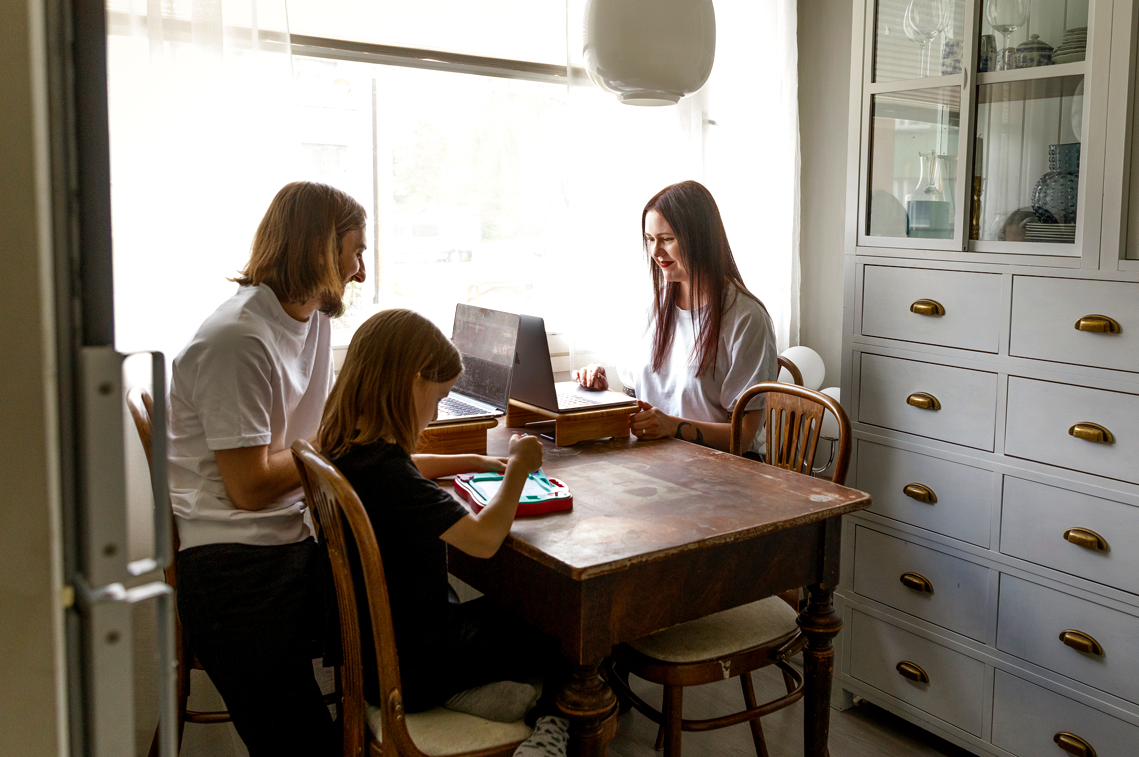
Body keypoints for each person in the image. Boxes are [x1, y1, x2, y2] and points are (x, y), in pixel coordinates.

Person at [167, 182, 505, 756]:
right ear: (320, 249)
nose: (361, 271)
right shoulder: (237, 341)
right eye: (355, 251)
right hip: (235, 568)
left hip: (291, 543)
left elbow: (330, 442)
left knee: (415, 594)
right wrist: (333, 445)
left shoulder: (313, 321)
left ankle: (435, 698)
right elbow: (248, 489)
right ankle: (437, 707)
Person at [321, 309, 570, 756]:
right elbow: (484, 540)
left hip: (379, 659)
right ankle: (552, 727)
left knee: (504, 615)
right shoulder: (391, 479)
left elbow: (410, 466)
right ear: (412, 382)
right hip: (421, 665)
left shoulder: (345, 449)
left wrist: (476, 461)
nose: (437, 413)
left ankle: (467, 694)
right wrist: (518, 469)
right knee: (561, 623)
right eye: (438, 398)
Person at [573, 180, 777, 454]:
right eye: (650, 239)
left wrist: (672, 426)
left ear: (701, 239)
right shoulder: (654, 307)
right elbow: (639, 403)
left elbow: (743, 438)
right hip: (657, 461)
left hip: (719, 470)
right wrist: (603, 395)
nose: (655, 252)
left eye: (667, 239)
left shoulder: (746, 318)